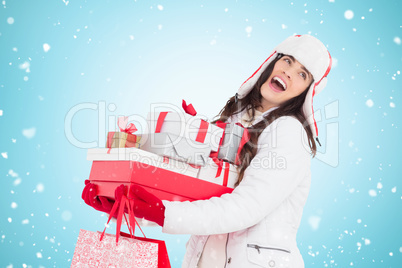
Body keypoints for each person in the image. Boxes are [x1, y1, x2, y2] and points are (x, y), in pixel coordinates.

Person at [82, 34, 332, 268]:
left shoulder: (289, 131)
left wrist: (162, 213)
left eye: (302, 74)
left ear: (306, 92)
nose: (289, 71)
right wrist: (127, 204)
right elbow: (193, 196)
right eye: (287, 60)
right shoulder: (234, 122)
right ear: (272, 64)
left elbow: (247, 207)